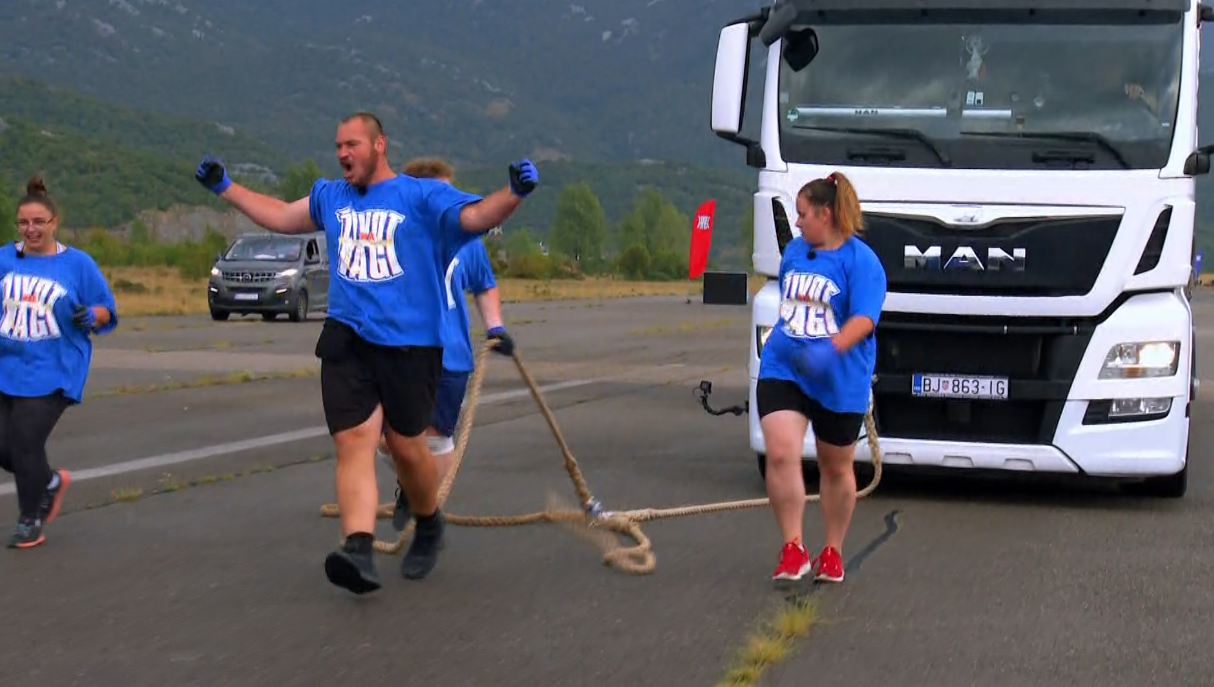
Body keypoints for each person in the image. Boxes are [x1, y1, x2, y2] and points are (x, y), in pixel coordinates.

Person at [193, 112, 539, 595]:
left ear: (379, 146)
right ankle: (357, 546)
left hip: (410, 346)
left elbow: (477, 217)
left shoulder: (420, 195)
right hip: (348, 338)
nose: (342, 153)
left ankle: (429, 519)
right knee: (354, 438)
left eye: (351, 144)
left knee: (406, 447)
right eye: (337, 145)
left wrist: (515, 193)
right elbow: (278, 216)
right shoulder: (330, 197)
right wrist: (224, 186)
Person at [755, 171, 887, 584]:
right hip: (784, 367)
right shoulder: (795, 252)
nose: (797, 223)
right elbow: (793, 301)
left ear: (825, 214)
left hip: (837, 377)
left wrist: (830, 349)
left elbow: (865, 318)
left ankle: (832, 550)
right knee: (780, 453)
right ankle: (793, 548)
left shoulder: (861, 261)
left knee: (834, 468)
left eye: (802, 214)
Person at [376, 157, 515, 534]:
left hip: (448, 356)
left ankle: (425, 519)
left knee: (434, 441)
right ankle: (413, 486)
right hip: (393, 353)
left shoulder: (467, 240)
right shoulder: (387, 236)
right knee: (386, 440)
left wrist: (495, 326)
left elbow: (484, 284)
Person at [0, 175, 119, 549]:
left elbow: (106, 310)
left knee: (25, 443)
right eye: (23, 223)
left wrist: (93, 316)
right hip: (8, 365)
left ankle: (30, 516)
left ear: (54, 222)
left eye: (38, 222)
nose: (30, 229)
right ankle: (48, 481)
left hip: (55, 368)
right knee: (6, 448)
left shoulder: (77, 264)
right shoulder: (4, 258)